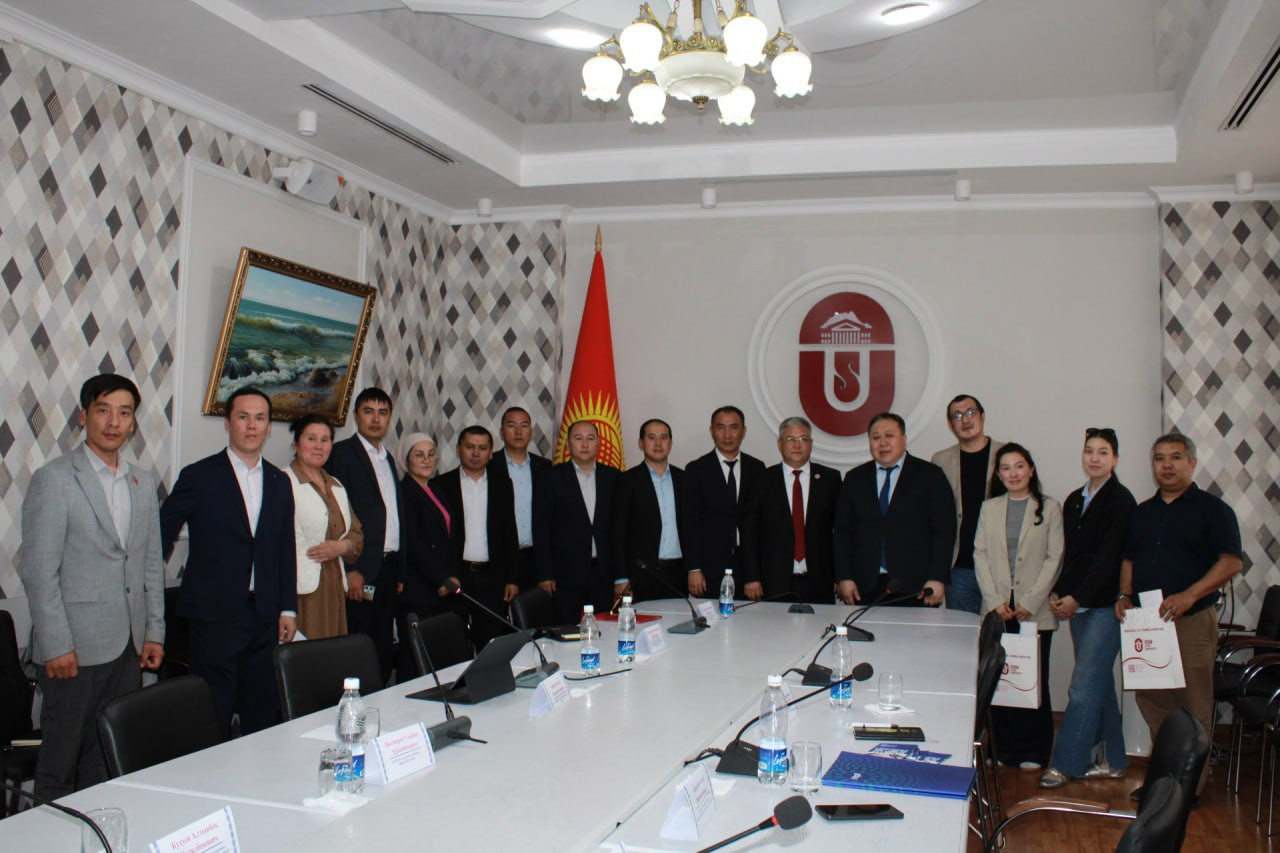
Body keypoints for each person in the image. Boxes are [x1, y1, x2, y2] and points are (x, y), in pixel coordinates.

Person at [18, 374, 165, 798]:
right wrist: (56, 644)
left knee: (106, 759)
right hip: (73, 649)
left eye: (124, 413)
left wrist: (154, 632)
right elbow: (39, 571)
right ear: (84, 416)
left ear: (133, 422)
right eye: (103, 411)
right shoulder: (55, 479)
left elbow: (149, 564)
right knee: (60, 762)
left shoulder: (141, 482)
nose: (113, 422)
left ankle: (96, 831)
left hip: (127, 647)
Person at [161, 387, 296, 736]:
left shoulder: (280, 482)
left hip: (264, 615)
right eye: (243, 417)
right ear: (227, 423)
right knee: (212, 711)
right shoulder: (199, 475)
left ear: (269, 427)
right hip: (214, 617)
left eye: (260, 418)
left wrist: (288, 608)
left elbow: (284, 548)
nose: (252, 426)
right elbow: (161, 533)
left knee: (261, 710)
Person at [1116, 433, 1242, 795]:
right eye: (1159, 458)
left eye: (1175, 457)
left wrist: (1190, 595)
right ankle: (1162, 781)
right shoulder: (1143, 512)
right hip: (1148, 624)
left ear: (1192, 463)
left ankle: (1189, 788)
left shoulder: (1213, 510)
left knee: (1193, 705)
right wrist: (1124, 596)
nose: (1167, 465)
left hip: (1191, 621)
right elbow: (1129, 560)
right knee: (1153, 702)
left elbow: (1231, 562)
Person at [1040, 428, 1136, 788]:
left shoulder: (1121, 500)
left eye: (1103, 452)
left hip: (1105, 607)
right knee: (1098, 683)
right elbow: (1069, 554)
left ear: (1115, 458)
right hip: (1078, 604)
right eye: (1089, 451)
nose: (1094, 458)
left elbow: (1109, 559)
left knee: (1081, 688)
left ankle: (1066, 763)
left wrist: (1077, 597)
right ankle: (1112, 759)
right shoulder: (1074, 500)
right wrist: (1060, 591)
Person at [974, 442, 1064, 769]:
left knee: (1032, 680)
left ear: (1031, 469)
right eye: (1006, 468)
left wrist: (1030, 600)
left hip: (1032, 611)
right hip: (997, 610)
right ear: (998, 474)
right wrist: (995, 600)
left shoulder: (1049, 508)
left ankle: (1033, 751)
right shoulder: (990, 508)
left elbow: (1055, 557)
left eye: (1019, 466)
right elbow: (980, 554)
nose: (1013, 473)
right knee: (999, 680)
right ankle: (1000, 751)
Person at [833, 413, 956, 606]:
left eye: (889, 436)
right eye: (876, 437)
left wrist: (937, 577)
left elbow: (944, 531)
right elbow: (842, 532)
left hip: (916, 587)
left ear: (904, 439)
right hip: (863, 586)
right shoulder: (854, 478)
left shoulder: (930, 476)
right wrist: (844, 576)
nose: (882, 443)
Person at [324, 387, 402, 680]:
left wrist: (400, 570)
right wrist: (350, 569)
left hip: (389, 567)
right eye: (368, 412)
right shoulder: (342, 454)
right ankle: (357, 702)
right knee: (359, 643)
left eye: (382, 413)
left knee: (382, 643)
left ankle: (381, 697)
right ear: (356, 416)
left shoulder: (388, 458)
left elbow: (395, 516)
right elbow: (334, 516)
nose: (376, 419)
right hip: (360, 568)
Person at [435, 426, 520, 650]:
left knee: (490, 643)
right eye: (470, 447)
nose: (475, 453)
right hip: (456, 575)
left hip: (491, 577)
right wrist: (443, 575)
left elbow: (509, 533)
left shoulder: (502, 484)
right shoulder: (441, 485)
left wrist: (512, 578)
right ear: (458, 449)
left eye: (482, 448)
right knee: (453, 642)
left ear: (491, 453)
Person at [742, 417, 841, 604]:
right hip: (774, 579)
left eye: (803, 439)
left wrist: (840, 576)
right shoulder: (762, 480)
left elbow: (840, 532)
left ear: (811, 444)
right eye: (790, 439)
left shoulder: (830, 479)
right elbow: (749, 532)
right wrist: (752, 577)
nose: (797, 445)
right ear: (779, 444)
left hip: (820, 580)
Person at [285, 414, 364, 640]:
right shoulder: (283, 482)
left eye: (325, 439)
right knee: (307, 652)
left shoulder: (336, 485)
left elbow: (356, 534)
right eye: (311, 439)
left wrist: (342, 547)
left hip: (335, 583)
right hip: (300, 589)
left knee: (333, 651)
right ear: (295, 444)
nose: (318, 446)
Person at [535, 420, 620, 623]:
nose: (585, 444)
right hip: (565, 575)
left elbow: (619, 530)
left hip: (603, 573)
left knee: (604, 629)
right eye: (578, 438)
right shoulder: (551, 477)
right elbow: (541, 528)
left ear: (598, 443)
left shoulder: (613, 477)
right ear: (568, 444)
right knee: (567, 631)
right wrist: (545, 573)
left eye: (590, 438)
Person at [930, 394, 1004, 614]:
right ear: (950, 424)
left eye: (971, 413)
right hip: (959, 566)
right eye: (957, 416)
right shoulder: (941, 460)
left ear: (983, 416)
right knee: (961, 632)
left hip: (998, 566)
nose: (965, 420)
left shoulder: (1006, 454)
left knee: (999, 631)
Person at [682, 406, 765, 598]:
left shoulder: (757, 468)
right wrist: (693, 568)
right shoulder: (696, 469)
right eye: (720, 427)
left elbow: (759, 522)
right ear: (712, 431)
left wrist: (755, 573)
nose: (727, 435)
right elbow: (689, 522)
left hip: (749, 567)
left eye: (734, 427)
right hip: (708, 569)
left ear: (744, 431)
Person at [396, 434, 458, 676]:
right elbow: (414, 543)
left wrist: (451, 576)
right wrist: (440, 579)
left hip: (442, 586)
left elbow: (449, 539)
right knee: (415, 658)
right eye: (419, 455)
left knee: (436, 655)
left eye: (431, 454)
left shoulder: (435, 489)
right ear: (406, 460)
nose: (426, 460)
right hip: (419, 586)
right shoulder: (404, 492)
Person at [611, 418, 685, 603]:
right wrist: (621, 578)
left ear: (670, 442)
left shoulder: (684, 479)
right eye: (651, 437)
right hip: (641, 576)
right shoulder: (626, 481)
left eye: (663, 437)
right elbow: (617, 533)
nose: (658, 443)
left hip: (678, 575)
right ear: (641, 443)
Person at [489, 406, 551, 591]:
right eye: (511, 425)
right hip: (500, 559)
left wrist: (547, 571)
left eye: (524, 426)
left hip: (536, 559)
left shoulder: (545, 468)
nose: (518, 431)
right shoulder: (489, 466)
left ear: (531, 432)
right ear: (501, 432)